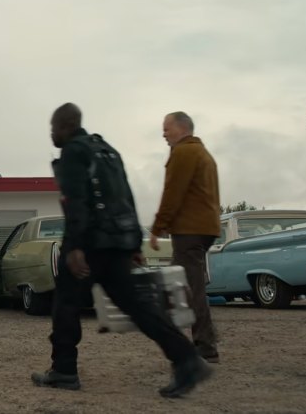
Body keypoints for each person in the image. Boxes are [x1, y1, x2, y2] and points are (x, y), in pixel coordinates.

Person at [31, 103, 211, 398]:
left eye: (53, 128)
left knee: (65, 304)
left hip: (90, 243)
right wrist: (134, 243)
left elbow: (75, 201)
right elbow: (125, 195)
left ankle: (64, 370)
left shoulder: (74, 152)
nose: (52, 134)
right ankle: (186, 359)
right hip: (118, 242)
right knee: (139, 306)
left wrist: (74, 247)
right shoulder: (108, 150)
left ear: (65, 126)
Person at [149, 111, 222, 363]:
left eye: (166, 128)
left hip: (189, 230)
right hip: (205, 228)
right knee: (180, 285)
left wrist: (157, 228)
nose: (164, 134)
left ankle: (205, 346)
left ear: (181, 128)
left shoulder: (183, 152)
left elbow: (173, 192)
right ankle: (200, 340)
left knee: (190, 288)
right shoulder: (204, 153)